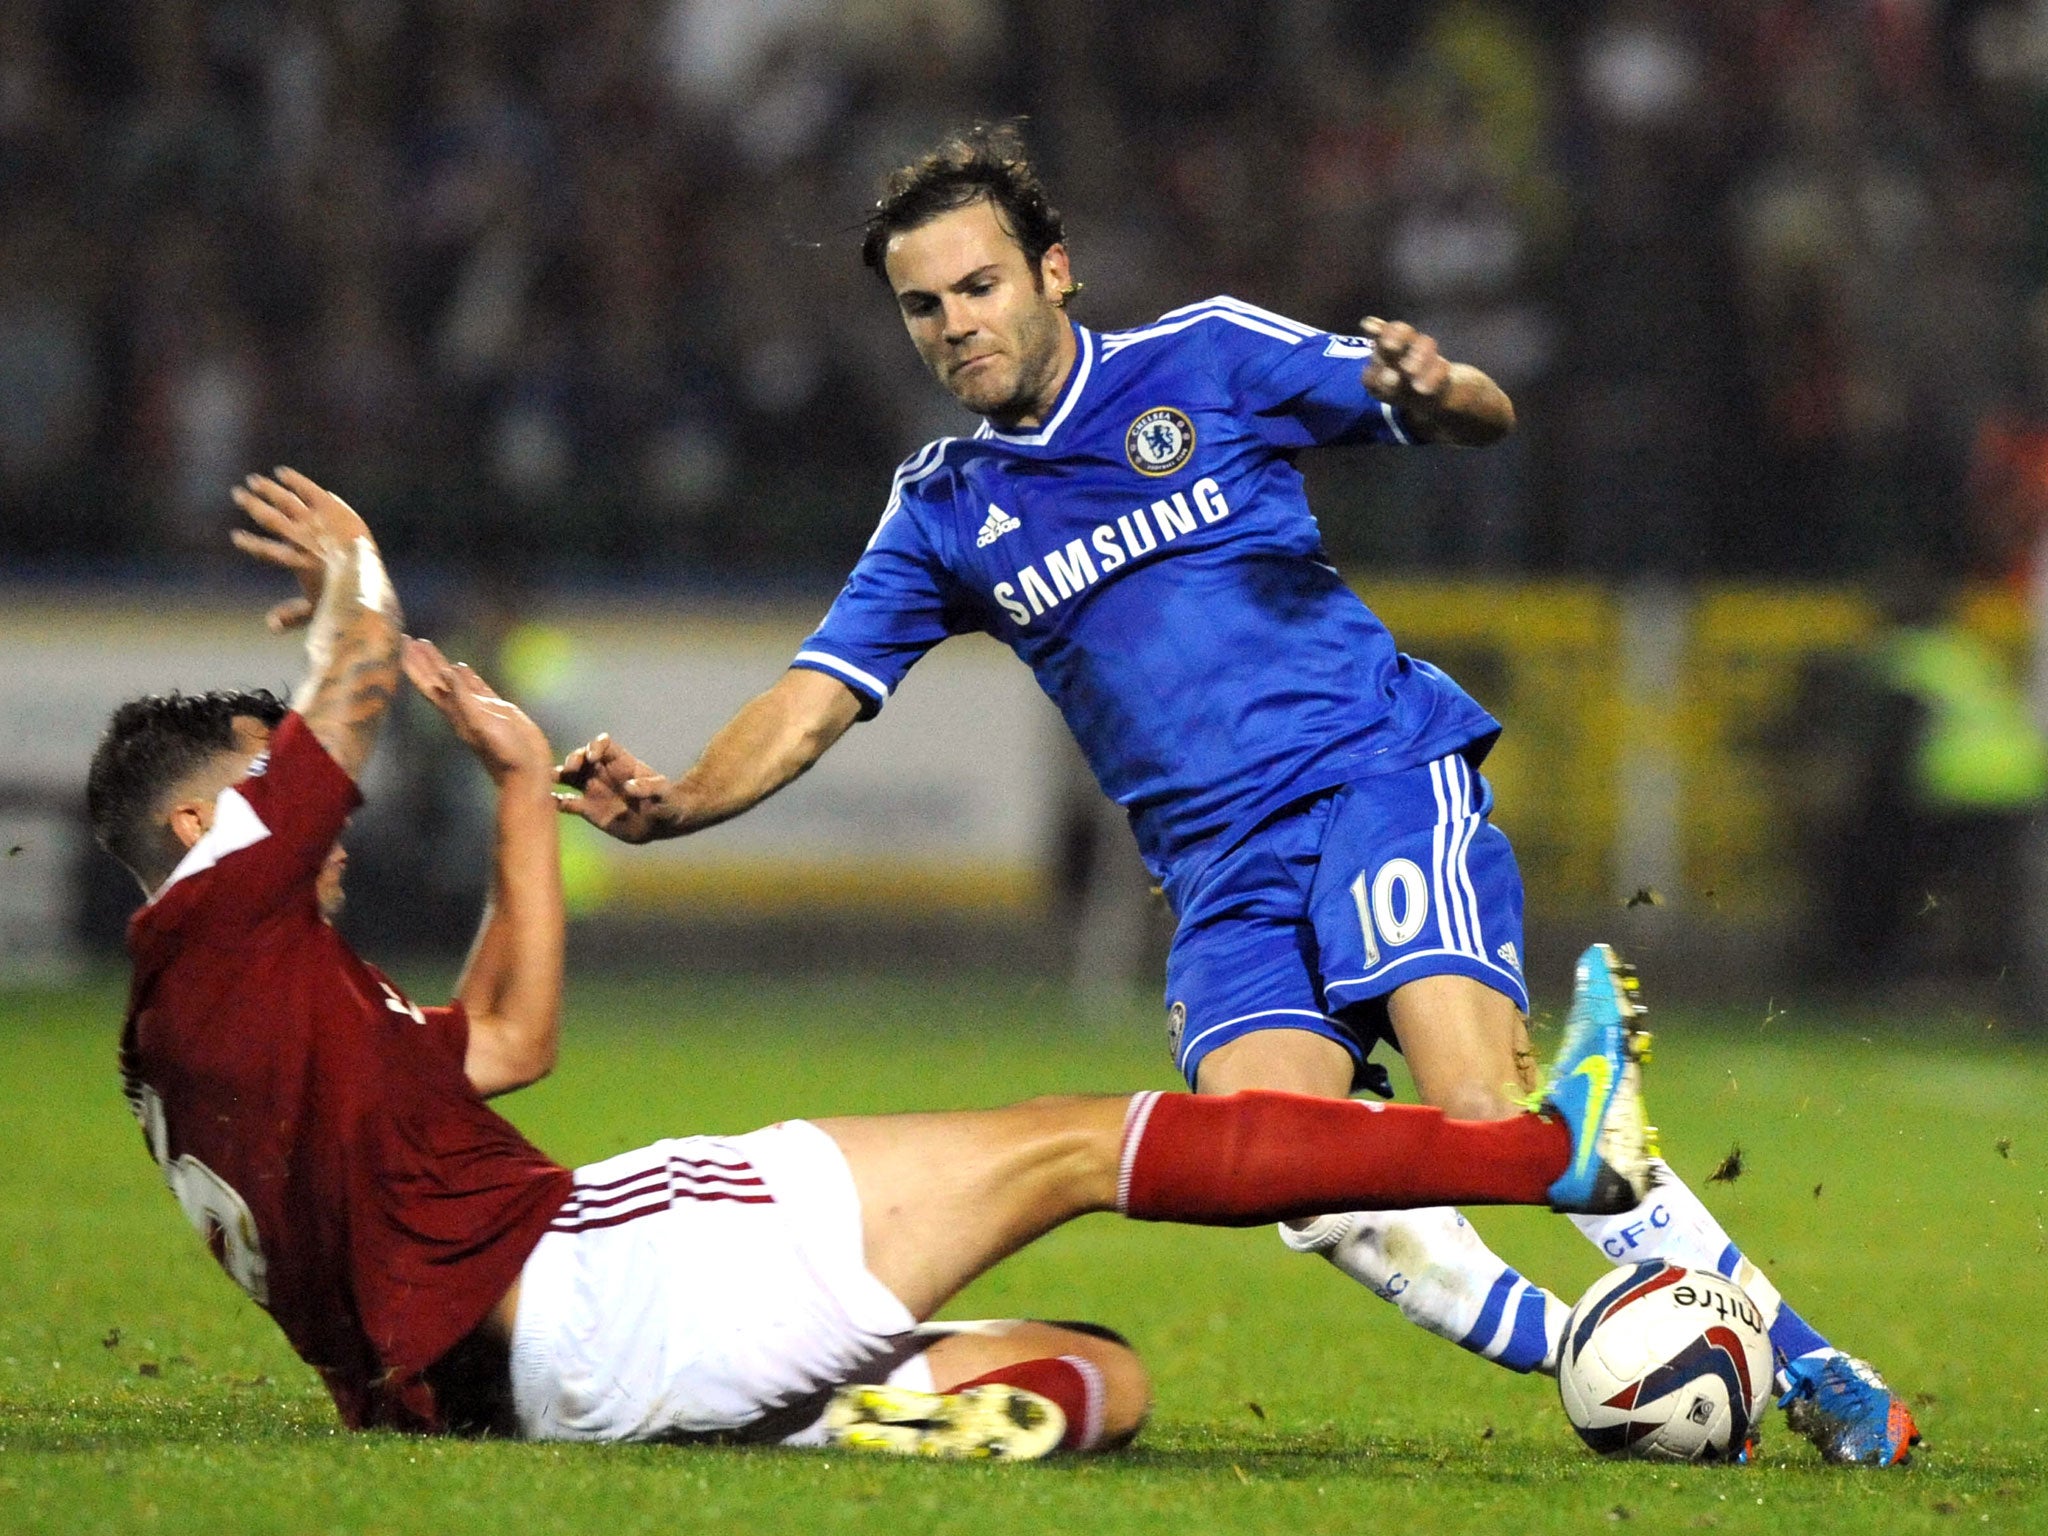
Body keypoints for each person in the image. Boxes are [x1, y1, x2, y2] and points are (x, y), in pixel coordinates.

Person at [555, 126, 1918, 1466]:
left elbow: (1482, 416)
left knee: (1480, 1113)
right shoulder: (945, 510)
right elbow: (810, 702)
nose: (955, 325)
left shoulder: (1203, 359)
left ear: (1054, 273)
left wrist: (1440, 389)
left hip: (1368, 776)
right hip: (1218, 880)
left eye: (978, 287)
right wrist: (675, 803)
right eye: (924, 308)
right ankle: (1623, 1358)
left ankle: (1811, 1366)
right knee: (1283, 1170)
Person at [91, 467, 1654, 1455]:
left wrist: (517, 788)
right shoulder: (218, 916)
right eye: (259, 769)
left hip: (546, 1392)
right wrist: (359, 564)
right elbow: (355, 679)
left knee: (1090, 1377)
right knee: (1076, 1144)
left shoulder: (237, 1010)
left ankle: (828, 1418)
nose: (308, 806)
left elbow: (508, 1042)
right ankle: (1540, 1153)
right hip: (593, 1275)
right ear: (191, 817)